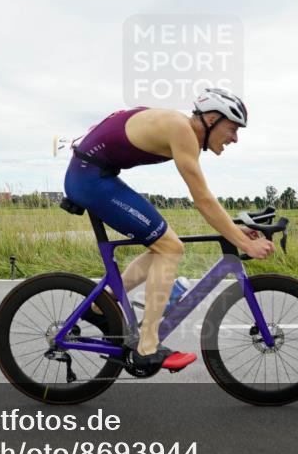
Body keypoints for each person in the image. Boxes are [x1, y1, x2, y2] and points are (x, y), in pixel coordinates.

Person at [63, 88, 275, 372]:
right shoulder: (182, 130)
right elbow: (202, 199)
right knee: (169, 247)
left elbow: (205, 197)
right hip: (90, 179)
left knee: (166, 245)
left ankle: (102, 305)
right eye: (233, 129)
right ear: (212, 118)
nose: (235, 138)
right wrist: (242, 243)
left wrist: (233, 228)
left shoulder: (179, 128)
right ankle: (147, 346)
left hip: (95, 175)